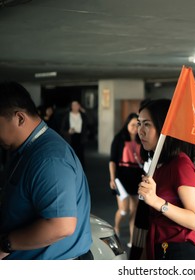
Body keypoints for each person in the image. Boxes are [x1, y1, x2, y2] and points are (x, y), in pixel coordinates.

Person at [0, 81, 92, 260]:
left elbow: (61, 225)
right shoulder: (25, 149)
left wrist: (5, 244)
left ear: (19, 118)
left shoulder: (49, 159)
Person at [137, 99, 195, 260]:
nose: (140, 131)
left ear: (163, 127)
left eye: (147, 124)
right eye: (139, 124)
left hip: (179, 251)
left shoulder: (181, 165)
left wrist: (157, 202)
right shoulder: (158, 164)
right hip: (158, 247)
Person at [109, 112, 144, 248]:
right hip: (121, 177)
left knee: (134, 210)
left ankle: (132, 238)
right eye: (132, 125)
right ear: (127, 124)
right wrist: (112, 178)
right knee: (124, 209)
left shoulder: (141, 139)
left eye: (137, 125)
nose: (135, 128)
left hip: (136, 177)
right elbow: (112, 161)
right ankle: (116, 226)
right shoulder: (119, 138)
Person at [61, 100, 88, 168]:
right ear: (71, 106)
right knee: (71, 154)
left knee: (80, 155)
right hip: (70, 137)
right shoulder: (67, 115)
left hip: (80, 137)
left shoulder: (83, 115)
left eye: (77, 105)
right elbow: (62, 129)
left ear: (79, 106)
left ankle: (80, 168)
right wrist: (68, 131)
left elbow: (89, 123)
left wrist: (84, 112)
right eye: (74, 105)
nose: (75, 107)